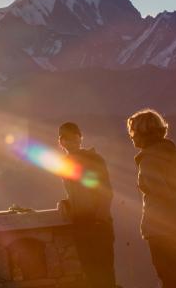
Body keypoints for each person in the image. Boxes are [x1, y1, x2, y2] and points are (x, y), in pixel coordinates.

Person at [127, 109, 176, 288]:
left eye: (134, 132)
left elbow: (160, 191)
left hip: (161, 228)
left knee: (169, 277)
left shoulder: (148, 160)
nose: (132, 137)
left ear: (144, 134)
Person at [58, 122, 116, 288]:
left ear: (80, 138)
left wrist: (100, 219)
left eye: (74, 137)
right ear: (61, 142)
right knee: (90, 273)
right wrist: (66, 203)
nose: (69, 142)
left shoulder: (94, 159)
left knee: (104, 272)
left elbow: (105, 192)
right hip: (81, 224)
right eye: (65, 138)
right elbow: (78, 193)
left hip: (98, 224)